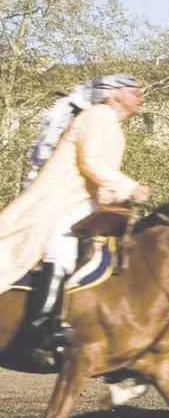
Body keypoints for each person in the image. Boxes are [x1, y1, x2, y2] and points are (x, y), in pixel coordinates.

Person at [0, 74, 150, 368]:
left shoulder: (110, 121)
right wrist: (128, 186)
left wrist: (111, 193)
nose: (140, 97)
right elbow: (91, 162)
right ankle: (40, 330)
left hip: (80, 200)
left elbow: (97, 170)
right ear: (116, 95)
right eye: (135, 92)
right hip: (60, 199)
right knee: (62, 246)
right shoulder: (98, 115)